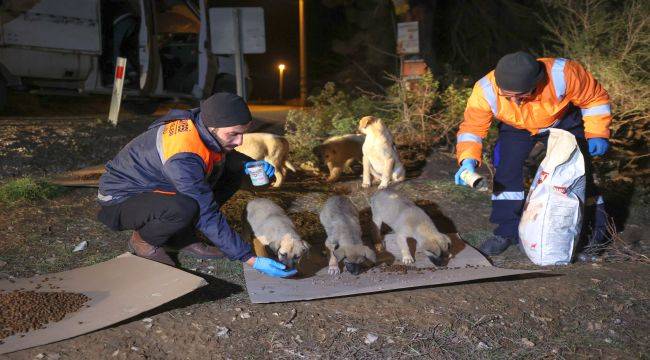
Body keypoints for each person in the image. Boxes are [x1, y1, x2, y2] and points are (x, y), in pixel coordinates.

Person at [97, 92, 297, 278]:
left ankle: (180, 237)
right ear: (213, 128)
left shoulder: (203, 124)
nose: (239, 141)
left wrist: (247, 164)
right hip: (120, 198)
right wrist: (249, 258)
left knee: (231, 173)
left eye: (243, 133)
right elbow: (205, 212)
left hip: (154, 184)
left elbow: (224, 155)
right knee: (187, 207)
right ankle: (144, 240)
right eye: (234, 134)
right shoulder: (183, 155)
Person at [455, 51, 611, 257]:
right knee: (506, 171)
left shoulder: (564, 73)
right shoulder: (485, 89)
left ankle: (594, 233)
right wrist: (467, 160)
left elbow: (594, 99)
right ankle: (507, 232)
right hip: (517, 127)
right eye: (507, 96)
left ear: (536, 83)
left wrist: (597, 133)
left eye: (520, 96)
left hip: (562, 120)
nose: (514, 100)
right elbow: (472, 127)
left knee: (579, 175)